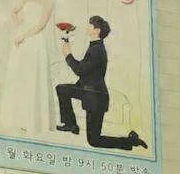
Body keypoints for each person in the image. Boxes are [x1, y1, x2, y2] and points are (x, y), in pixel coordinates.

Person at [55, 15, 148, 151]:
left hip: (96, 98)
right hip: (87, 91)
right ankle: (71, 124)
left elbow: (80, 70)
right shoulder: (94, 47)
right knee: (61, 89)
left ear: (97, 30)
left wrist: (68, 56)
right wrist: (67, 45)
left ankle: (130, 141)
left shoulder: (97, 50)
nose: (87, 26)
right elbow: (84, 68)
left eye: (89, 25)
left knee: (94, 141)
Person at [0, 0, 56, 134]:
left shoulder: (49, 2)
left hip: (35, 39)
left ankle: (30, 121)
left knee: (32, 76)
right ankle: (16, 118)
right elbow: (13, 11)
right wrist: (20, 25)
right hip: (22, 37)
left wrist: (23, 35)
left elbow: (41, 25)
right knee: (19, 75)